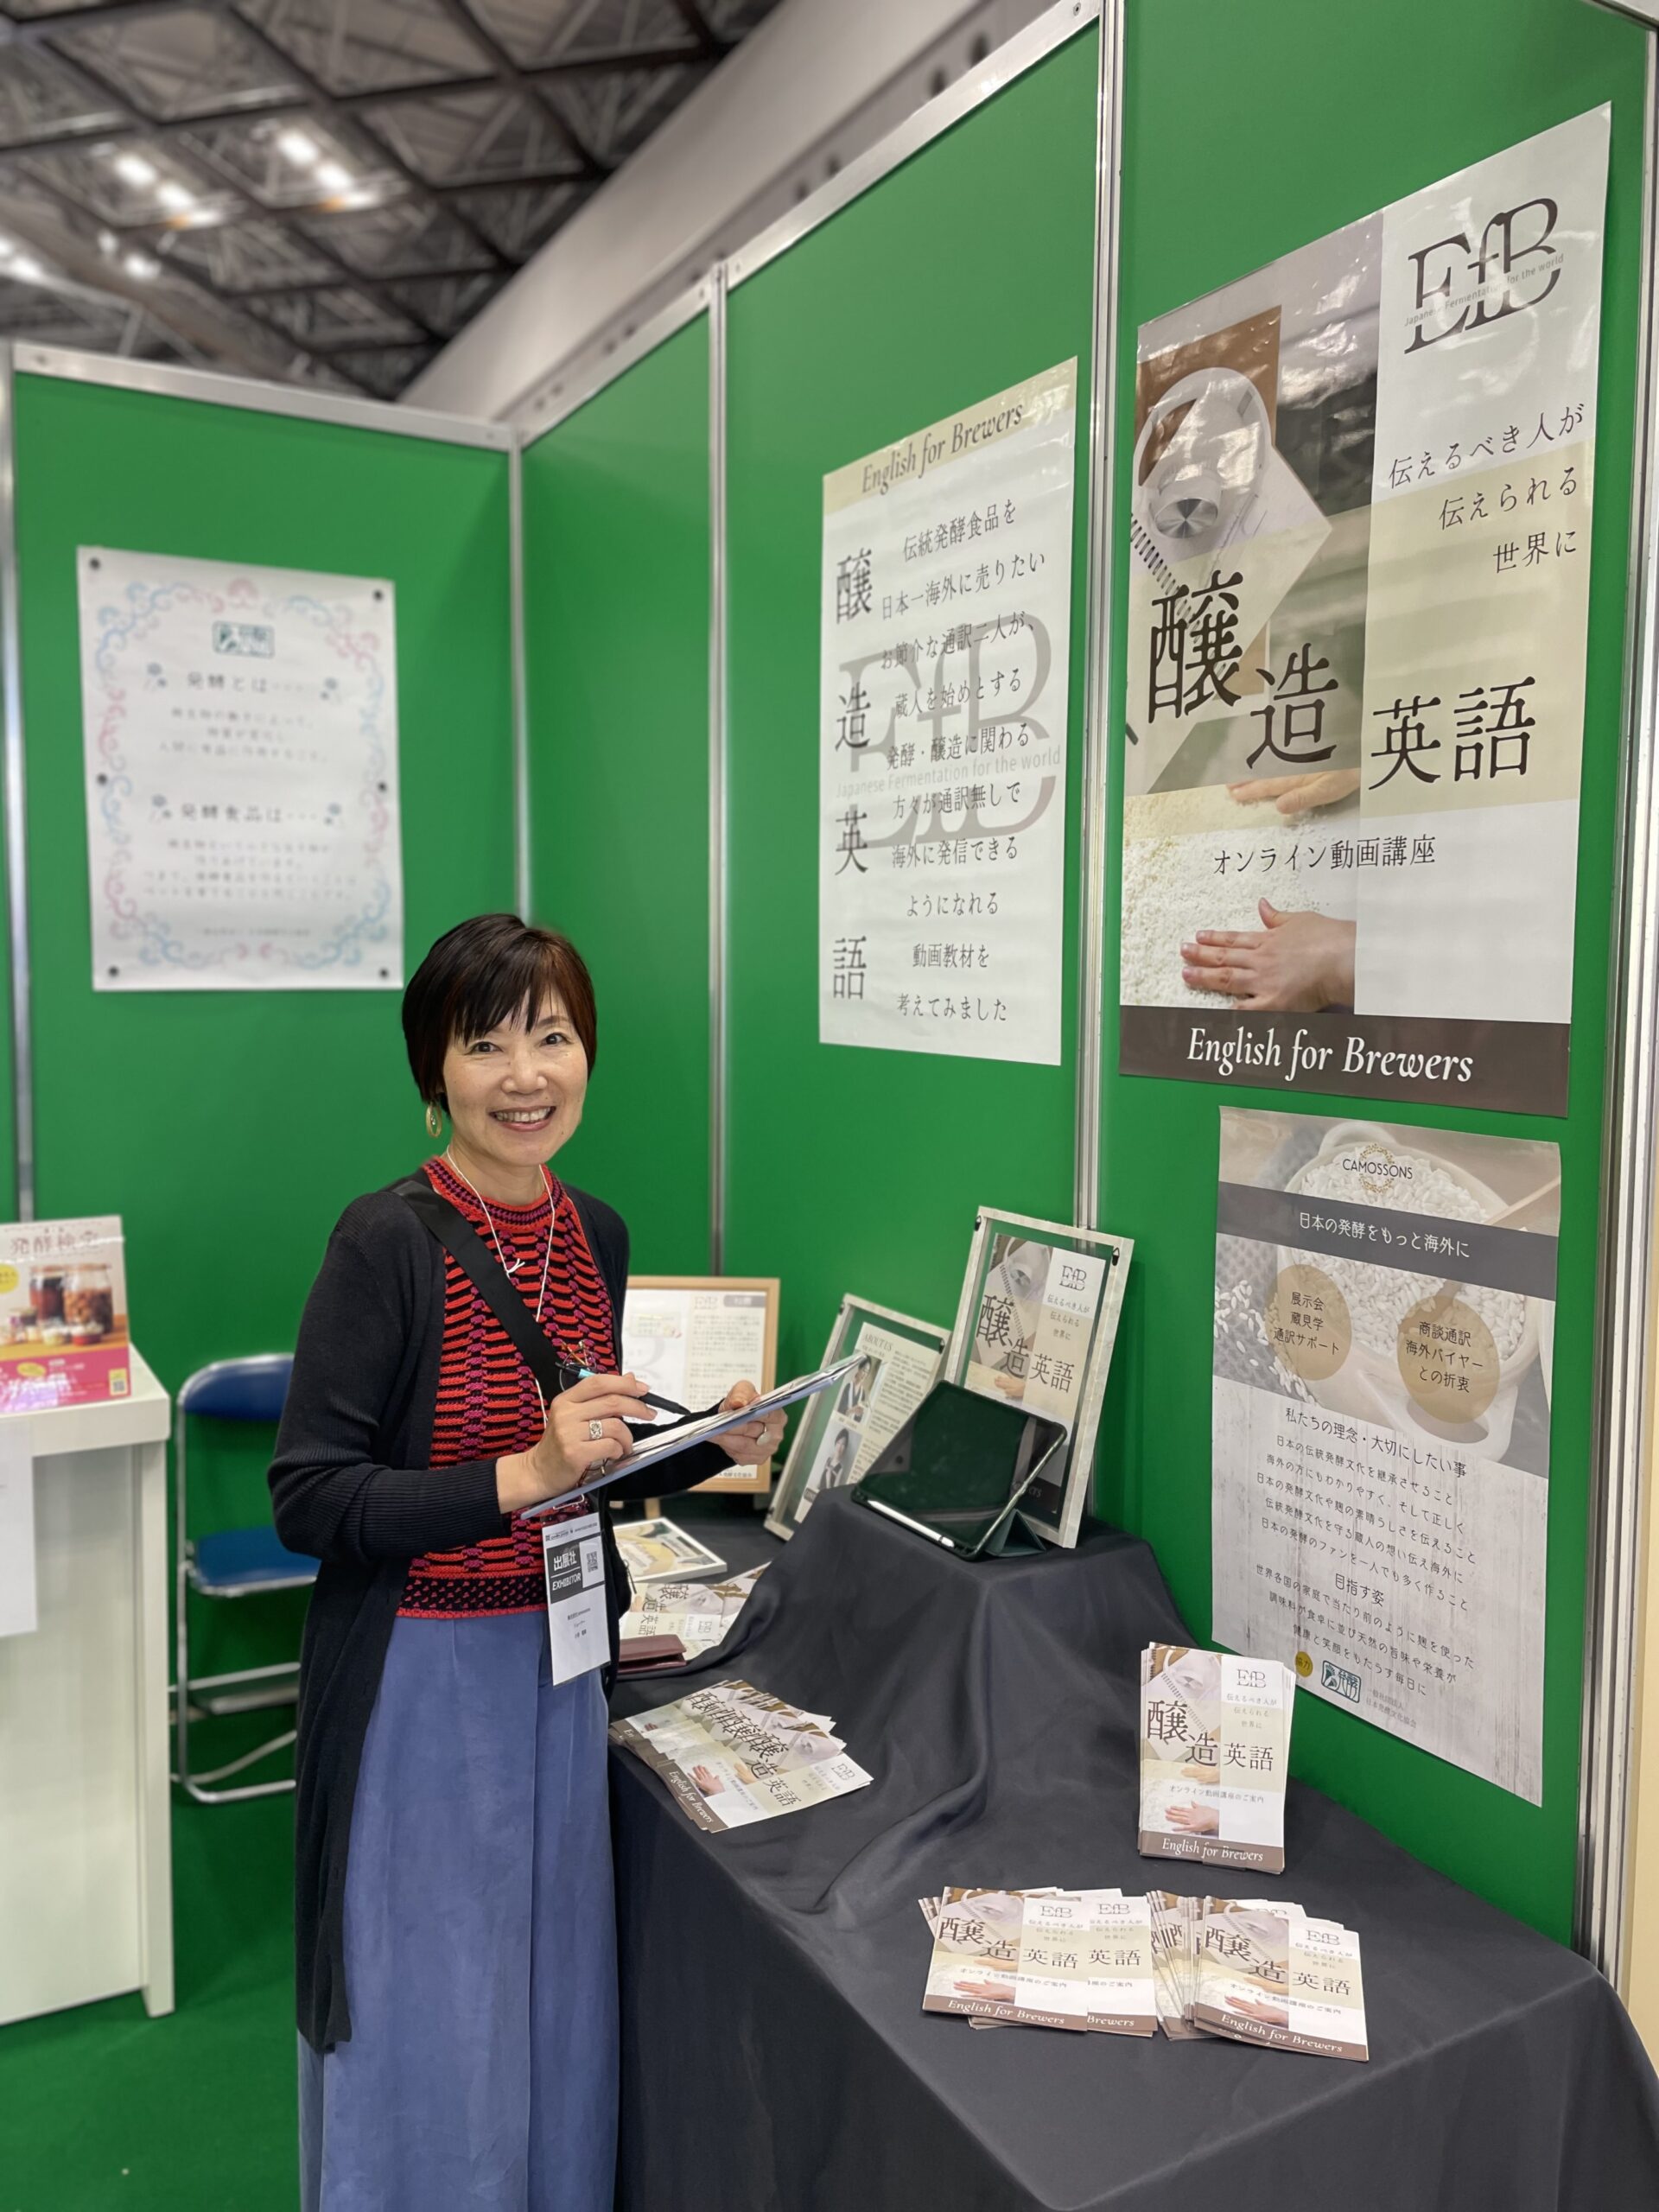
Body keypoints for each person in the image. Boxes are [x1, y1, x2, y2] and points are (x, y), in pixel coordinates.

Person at [269, 912, 785, 2212]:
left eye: (551, 1038)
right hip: (421, 1684)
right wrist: (526, 1475)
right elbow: (310, 1495)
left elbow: (580, 1466)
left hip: (556, 1671)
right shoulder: (383, 1241)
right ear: (433, 1069)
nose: (524, 1076)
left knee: (548, 1985)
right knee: (436, 1996)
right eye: (484, 1043)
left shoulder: (591, 1232)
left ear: (587, 1054)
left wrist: (708, 1448)